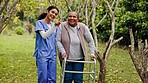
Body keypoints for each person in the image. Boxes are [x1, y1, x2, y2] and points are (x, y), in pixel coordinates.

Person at [56, 12, 96, 83]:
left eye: (74, 17)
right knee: (67, 79)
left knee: (78, 79)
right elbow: (57, 41)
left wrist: (92, 53)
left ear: (78, 18)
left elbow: (90, 41)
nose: (72, 18)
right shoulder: (62, 26)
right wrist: (63, 52)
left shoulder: (83, 27)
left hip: (79, 59)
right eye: (70, 16)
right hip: (67, 59)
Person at [33, 6, 60, 83]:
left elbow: (56, 39)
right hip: (42, 54)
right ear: (47, 11)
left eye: (56, 14)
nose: (54, 15)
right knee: (43, 78)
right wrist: (55, 26)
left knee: (52, 78)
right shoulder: (40, 23)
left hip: (52, 54)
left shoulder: (53, 25)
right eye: (52, 12)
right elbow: (44, 35)